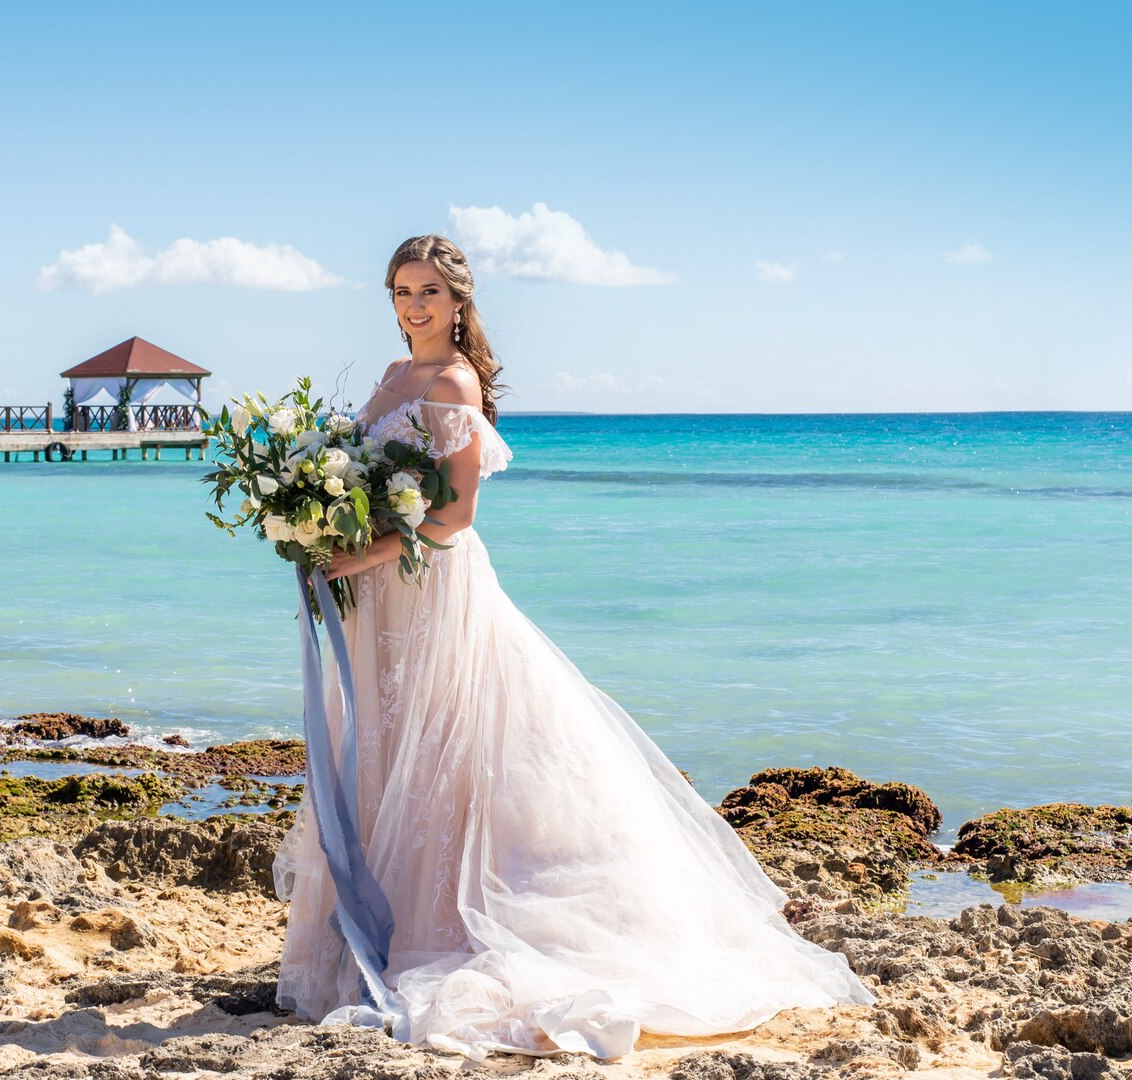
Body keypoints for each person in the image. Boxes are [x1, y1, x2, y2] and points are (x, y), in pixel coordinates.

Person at [272, 234, 876, 1061]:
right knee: (378, 747)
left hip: (430, 593)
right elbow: (374, 491)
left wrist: (361, 551)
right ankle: (367, 934)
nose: (415, 306)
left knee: (444, 752)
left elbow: (452, 519)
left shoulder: (454, 382)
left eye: (429, 293)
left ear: (459, 302)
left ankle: (443, 927)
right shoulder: (386, 378)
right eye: (402, 292)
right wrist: (321, 525)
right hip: (375, 596)